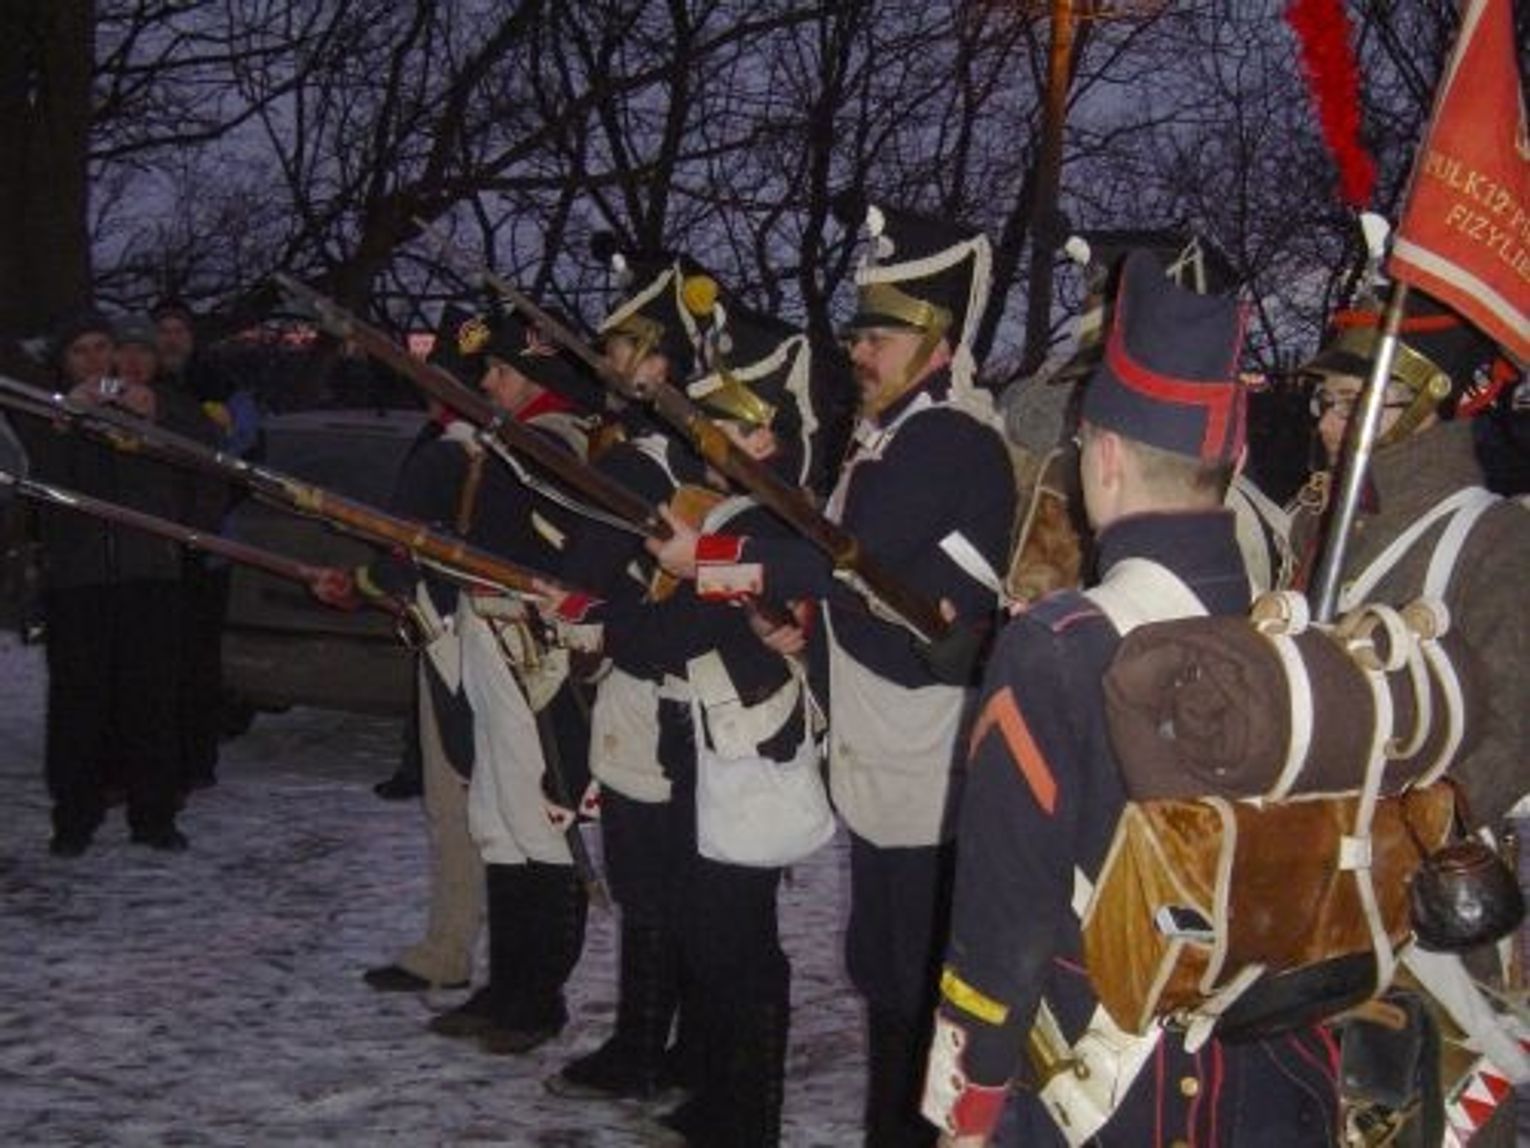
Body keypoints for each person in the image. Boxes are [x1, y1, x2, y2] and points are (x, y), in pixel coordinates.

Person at [921, 250, 1341, 1146]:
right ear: (1232, 458)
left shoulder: (1055, 646)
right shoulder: (1297, 634)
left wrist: (969, 1102)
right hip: (1265, 1087)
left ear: (1104, 457)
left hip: (1108, 1094)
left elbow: (1004, 925)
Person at [651, 204, 1017, 1146]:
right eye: (860, 334)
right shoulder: (893, 437)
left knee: (916, 972)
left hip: (924, 737)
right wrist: (802, 639)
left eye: (880, 337)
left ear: (937, 343)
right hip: (889, 728)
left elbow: (852, 562)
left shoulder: (945, 439)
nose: (860, 351)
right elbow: (868, 590)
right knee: (887, 963)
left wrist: (713, 563)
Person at [1286, 293, 1530, 1146]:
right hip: (1304, 890)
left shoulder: (1495, 540)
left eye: (1356, 401)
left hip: (1425, 906)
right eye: (1326, 400)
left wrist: (1407, 833)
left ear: (1428, 400)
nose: (1330, 422)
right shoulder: (1318, 526)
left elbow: (1512, 732)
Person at [543, 256, 713, 1104]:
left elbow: (584, 574)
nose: (609, 365)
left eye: (623, 351)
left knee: (647, 875)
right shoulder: (694, 453)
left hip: (645, 679)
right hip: (697, 684)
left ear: (659, 365)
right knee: (682, 870)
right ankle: (677, 1043)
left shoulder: (636, 465)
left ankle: (642, 1047)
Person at [18, 309, 218, 855]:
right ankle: (74, 819)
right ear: (64, 362)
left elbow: (206, 464)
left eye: (101, 347)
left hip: (150, 577)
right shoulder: (48, 414)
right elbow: (33, 488)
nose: (94, 360)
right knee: (77, 705)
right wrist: (65, 423)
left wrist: (155, 419)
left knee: (150, 701)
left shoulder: (161, 405)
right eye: (80, 351)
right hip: (78, 583)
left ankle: (154, 816)